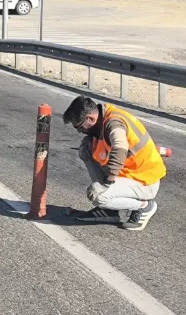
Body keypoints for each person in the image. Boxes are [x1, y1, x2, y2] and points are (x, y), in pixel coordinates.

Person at [63, 95, 166, 231]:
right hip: (129, 175)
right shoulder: (103, 118)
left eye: (80, 127)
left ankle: (144, 206)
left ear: (91, 119)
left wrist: (106, 184)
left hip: (145, 181)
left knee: (98, 195)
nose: (80, 131)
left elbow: (119, 147)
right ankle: (111, 208)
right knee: (86, 148)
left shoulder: (114, 123)